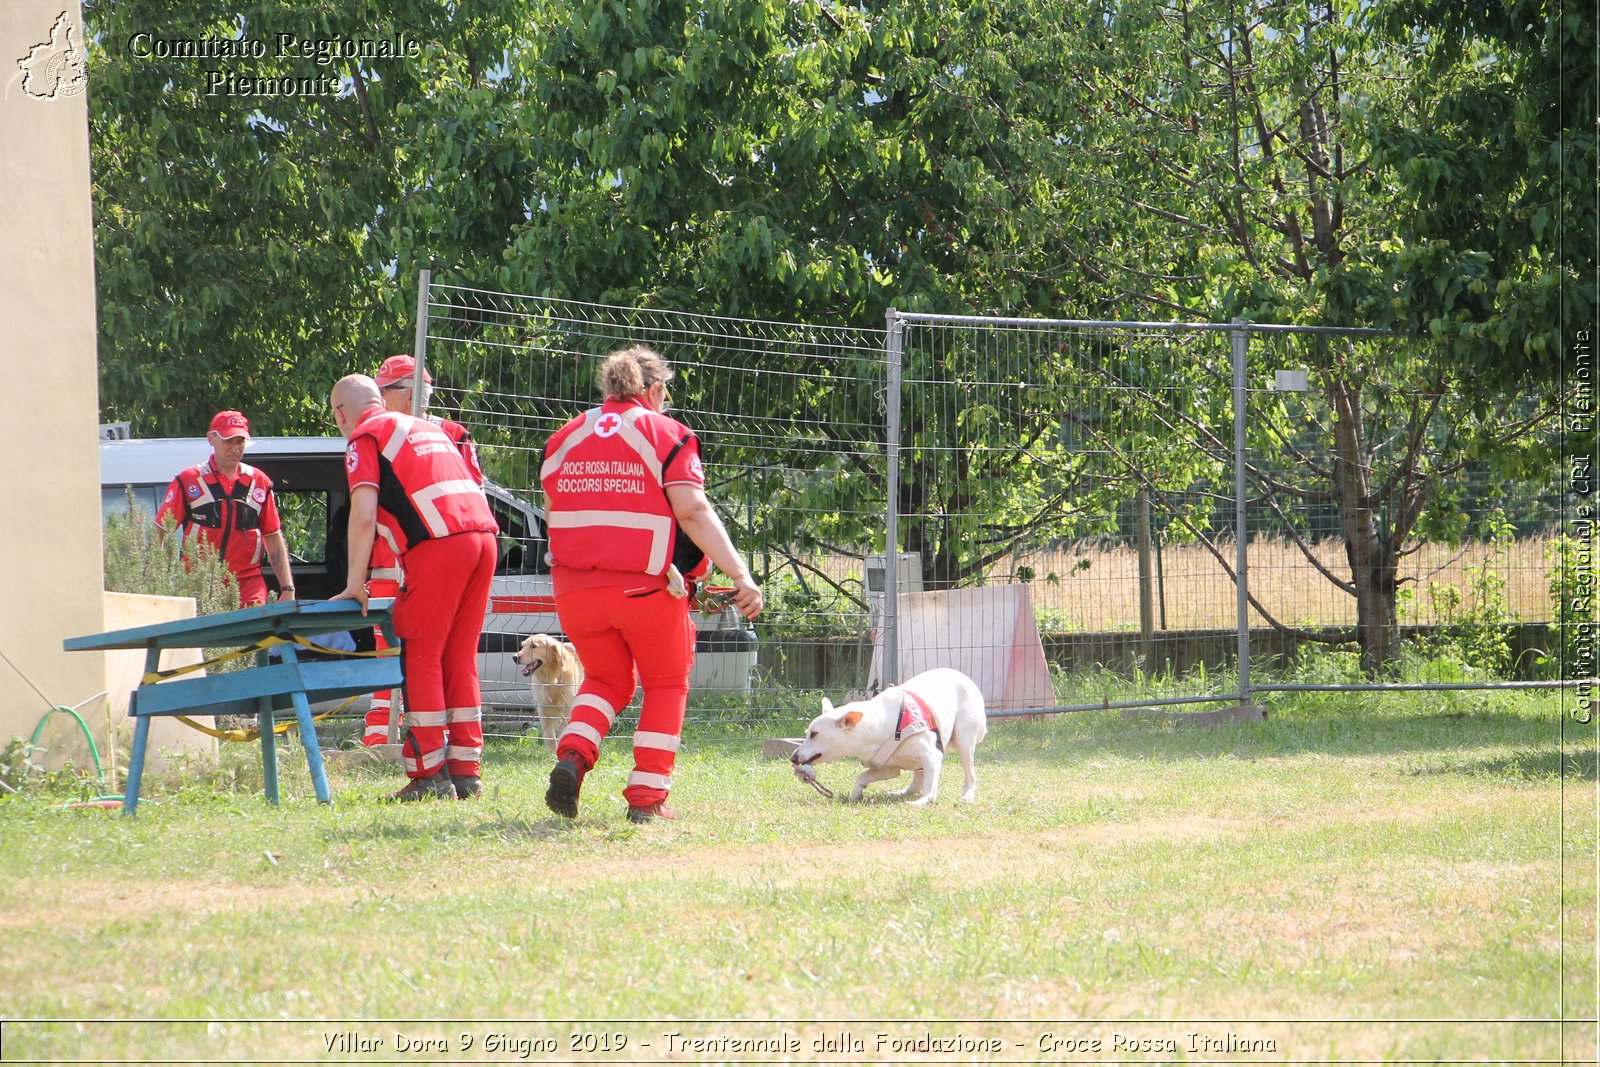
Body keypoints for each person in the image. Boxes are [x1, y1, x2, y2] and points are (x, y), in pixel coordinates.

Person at [540, 345, 763, 823]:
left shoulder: (564, 438)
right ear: (655, 390)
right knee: (665, 684)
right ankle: (647, 798)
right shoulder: (668, 434)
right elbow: (693, 511)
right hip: (644, 589)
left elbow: (555, 515)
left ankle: (573, 756)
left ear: (608, 388)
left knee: (604, 679)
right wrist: (740, 575)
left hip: (575, 591)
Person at [328, 375, 499, 801]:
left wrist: (353, 583)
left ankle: (428, 775)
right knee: (459, 655)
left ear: (341, 413)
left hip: (439, 546)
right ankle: (466, 770)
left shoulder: (365, 436)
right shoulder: (427, 428)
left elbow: (364, 514)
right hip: (483, 539)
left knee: (421, 655)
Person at [358, 354, 487, 748]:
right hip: (387, 564)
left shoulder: (449, 433)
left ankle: (433, 745)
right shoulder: (386, 430)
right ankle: (381, 738)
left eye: (385, 391)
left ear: (412, 393)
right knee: (390, 656)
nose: (378, 400)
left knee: (437, 656)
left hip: (431, 560)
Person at [155, 410, 295, 608]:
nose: (235, 448)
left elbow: (272, 536)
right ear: (211, 438)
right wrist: (158, 585)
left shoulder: (259, 482)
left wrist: (288, 589)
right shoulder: (188, 480)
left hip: (248, 586)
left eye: (240, 441)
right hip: (198, 583)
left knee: (255, 638)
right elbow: (159, 532)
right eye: (228, 441)